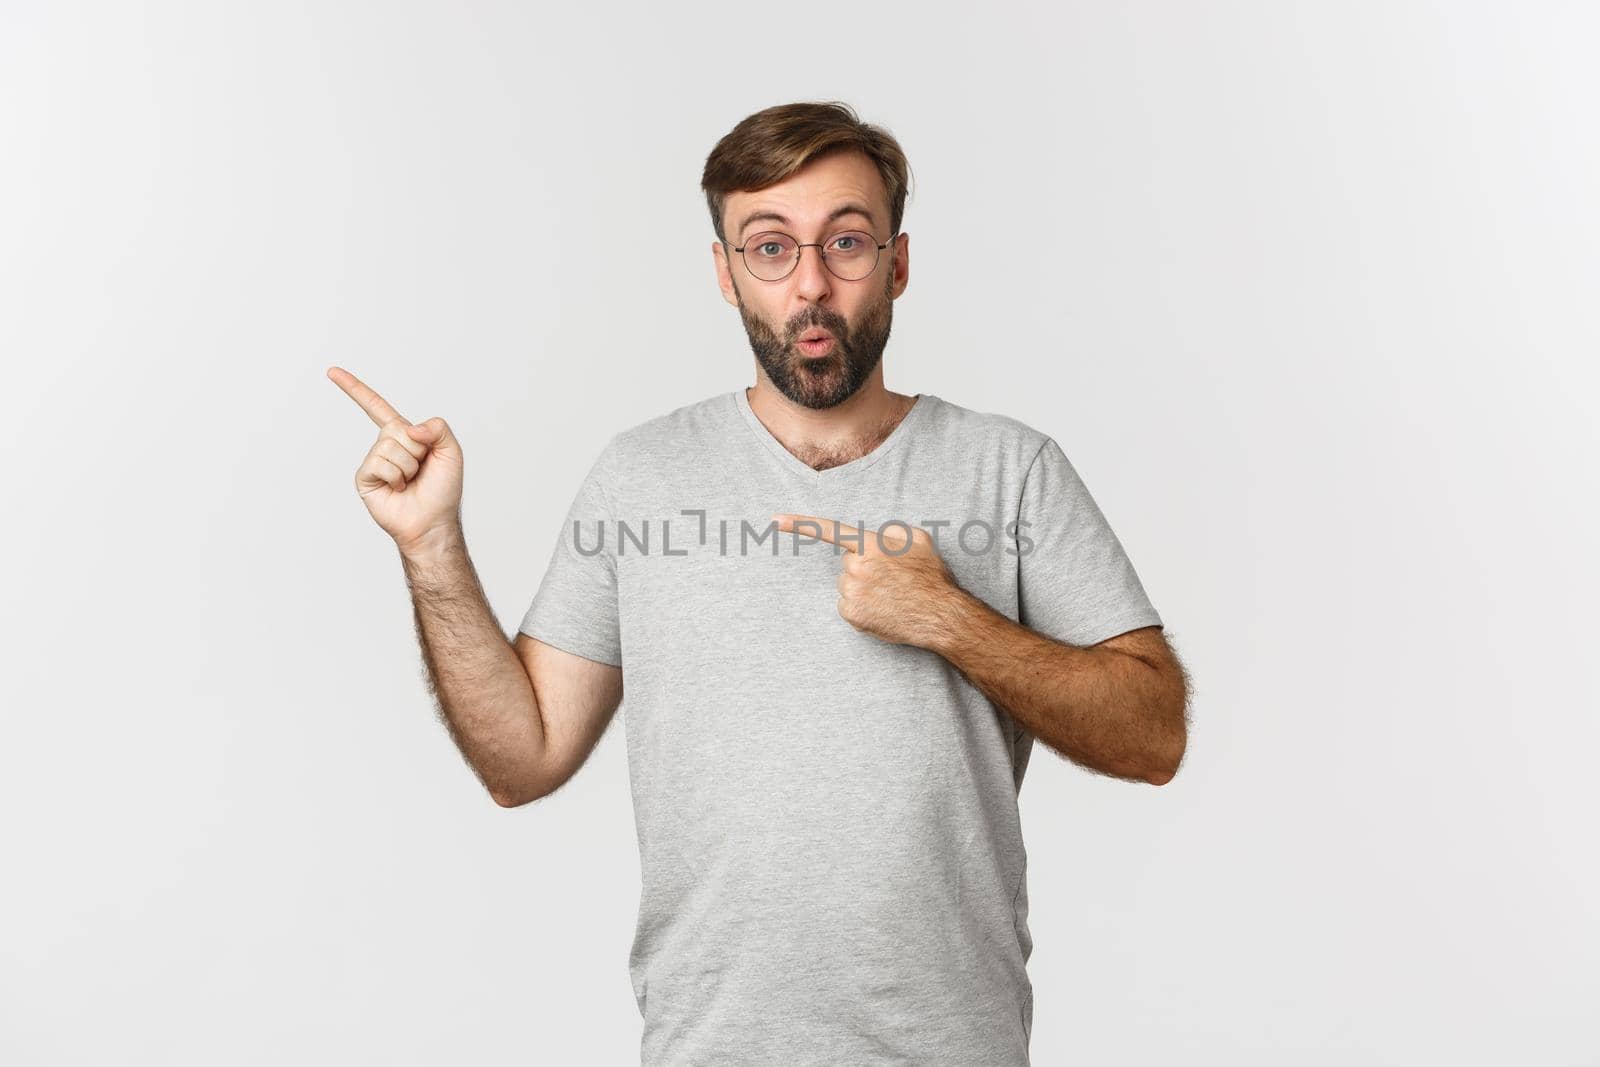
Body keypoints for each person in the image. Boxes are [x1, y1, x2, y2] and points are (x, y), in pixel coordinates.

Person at [329, 100, 1189, 1066]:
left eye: (848, 243)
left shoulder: (1010, 470)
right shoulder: (641, 476)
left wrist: (954, 620)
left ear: (898, 263)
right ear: (727, 276)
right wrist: (431, 543)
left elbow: (1153, 733)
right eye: (770, 248)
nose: (812, 286)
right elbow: (521, 759)